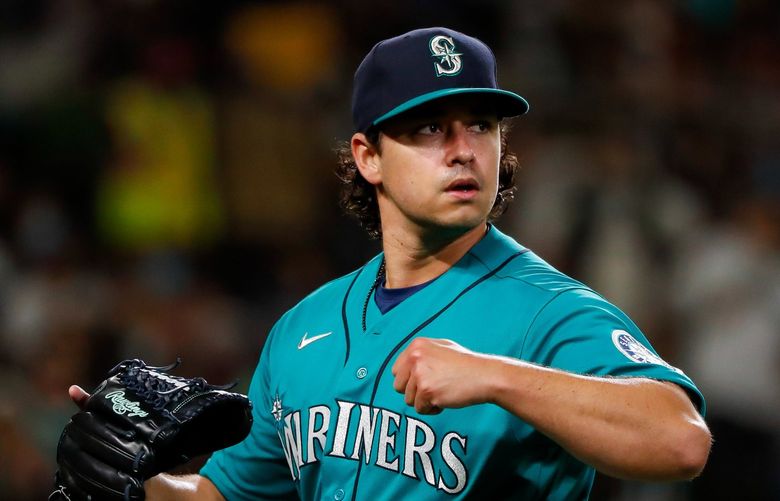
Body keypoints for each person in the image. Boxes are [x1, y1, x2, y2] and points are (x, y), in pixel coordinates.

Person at [68, 27, 711, 500]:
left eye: (480, 125)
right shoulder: (304, 327)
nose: (462, 150)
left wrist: (496, 377)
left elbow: (681, 440)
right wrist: (137, 484)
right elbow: (226, 495)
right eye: (429, 128)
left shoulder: (549, 311)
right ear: (368, 156)